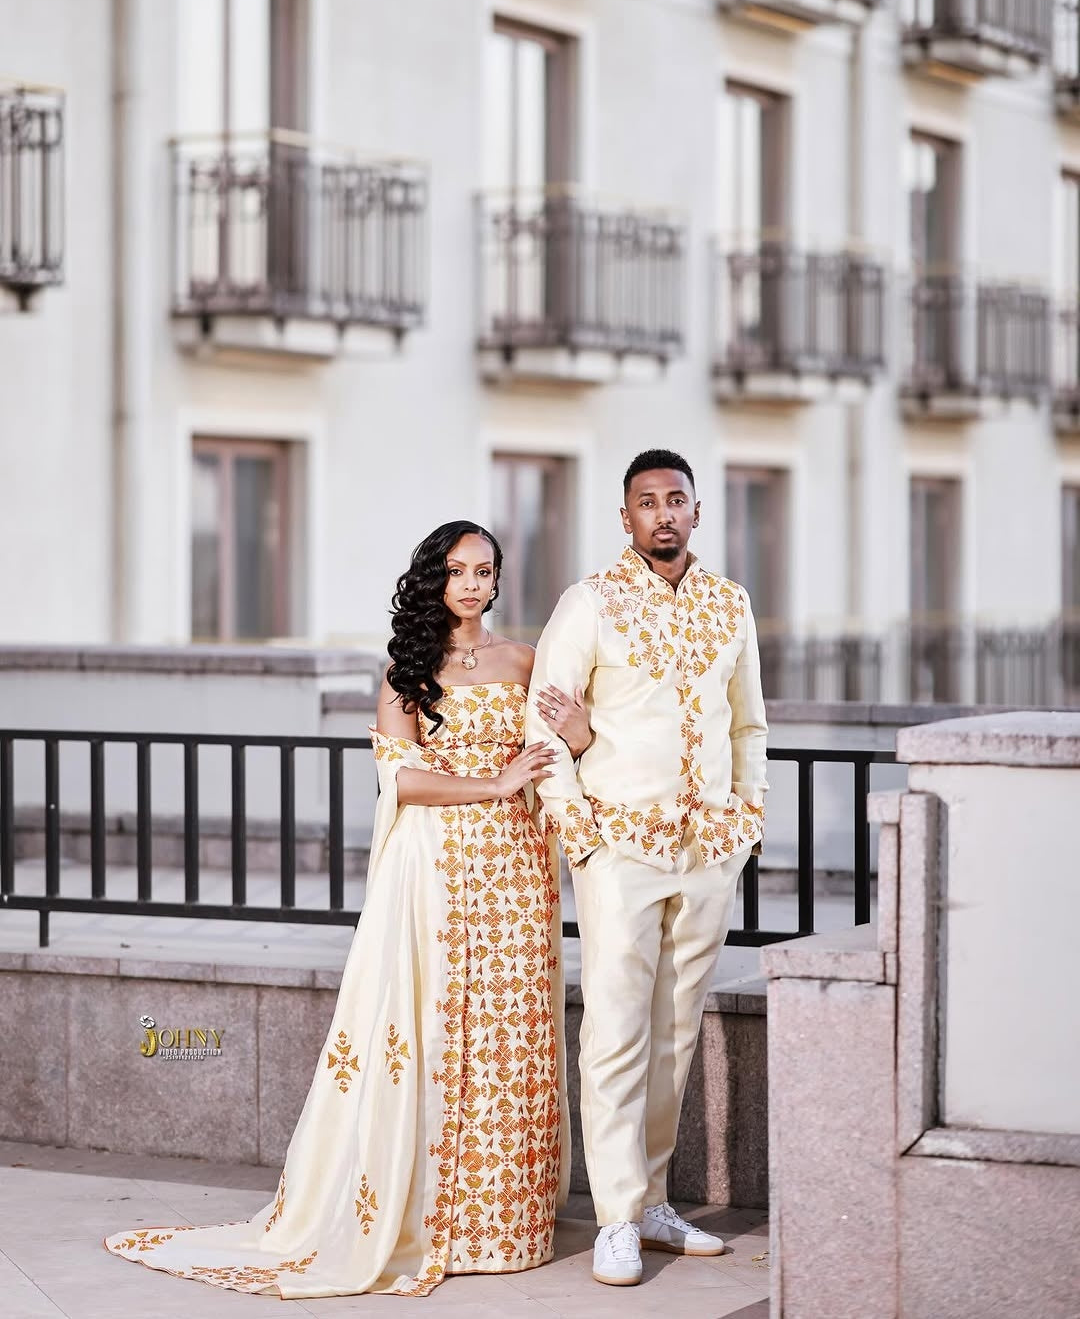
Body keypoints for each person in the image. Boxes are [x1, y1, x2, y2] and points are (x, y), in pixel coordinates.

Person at [104, 520, 591, 1299]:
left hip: (519, 872)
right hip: (434, 868)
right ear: (433, 578)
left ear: (498, 580)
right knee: (434, 1030)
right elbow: (399, 782)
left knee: (511, 1031)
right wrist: (495, 785)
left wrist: (579, 730)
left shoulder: (526, 663)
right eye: (458, 570)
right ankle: (435, 1219)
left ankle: (507, 1223)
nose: (472, 584)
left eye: (485, 571)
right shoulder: (408, 672)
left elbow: (566, 751)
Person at [527, 450, 768, 1287]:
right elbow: (544, 728)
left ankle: (656, 1199)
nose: (662, 514)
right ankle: (618, 1218)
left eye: (676, 500)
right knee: (618, 1030)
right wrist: (581, 837)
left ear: (697, 512)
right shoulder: (589, 604)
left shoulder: (730, 604)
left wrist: (747, 818)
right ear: (624, 518)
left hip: (709, 851)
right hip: (619, 852)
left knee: (675, 1030)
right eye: (646, 502)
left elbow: (749, 727)